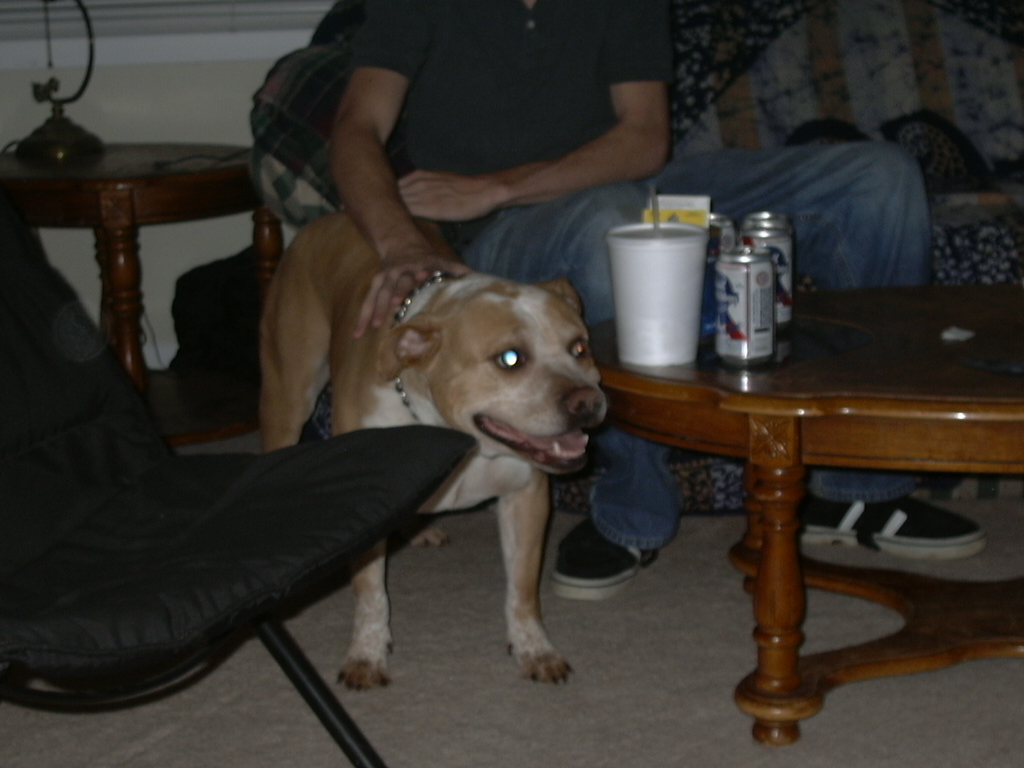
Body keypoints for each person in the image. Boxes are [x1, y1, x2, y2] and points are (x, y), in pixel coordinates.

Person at [326, 0, 985, 601]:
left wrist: (498, 185)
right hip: (499, 237)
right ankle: (629, 513)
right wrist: (402, 245)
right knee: (616, 226)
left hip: (612, 188)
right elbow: (356, 126)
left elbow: (644, 139)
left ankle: (858, 493)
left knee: (880, 178)